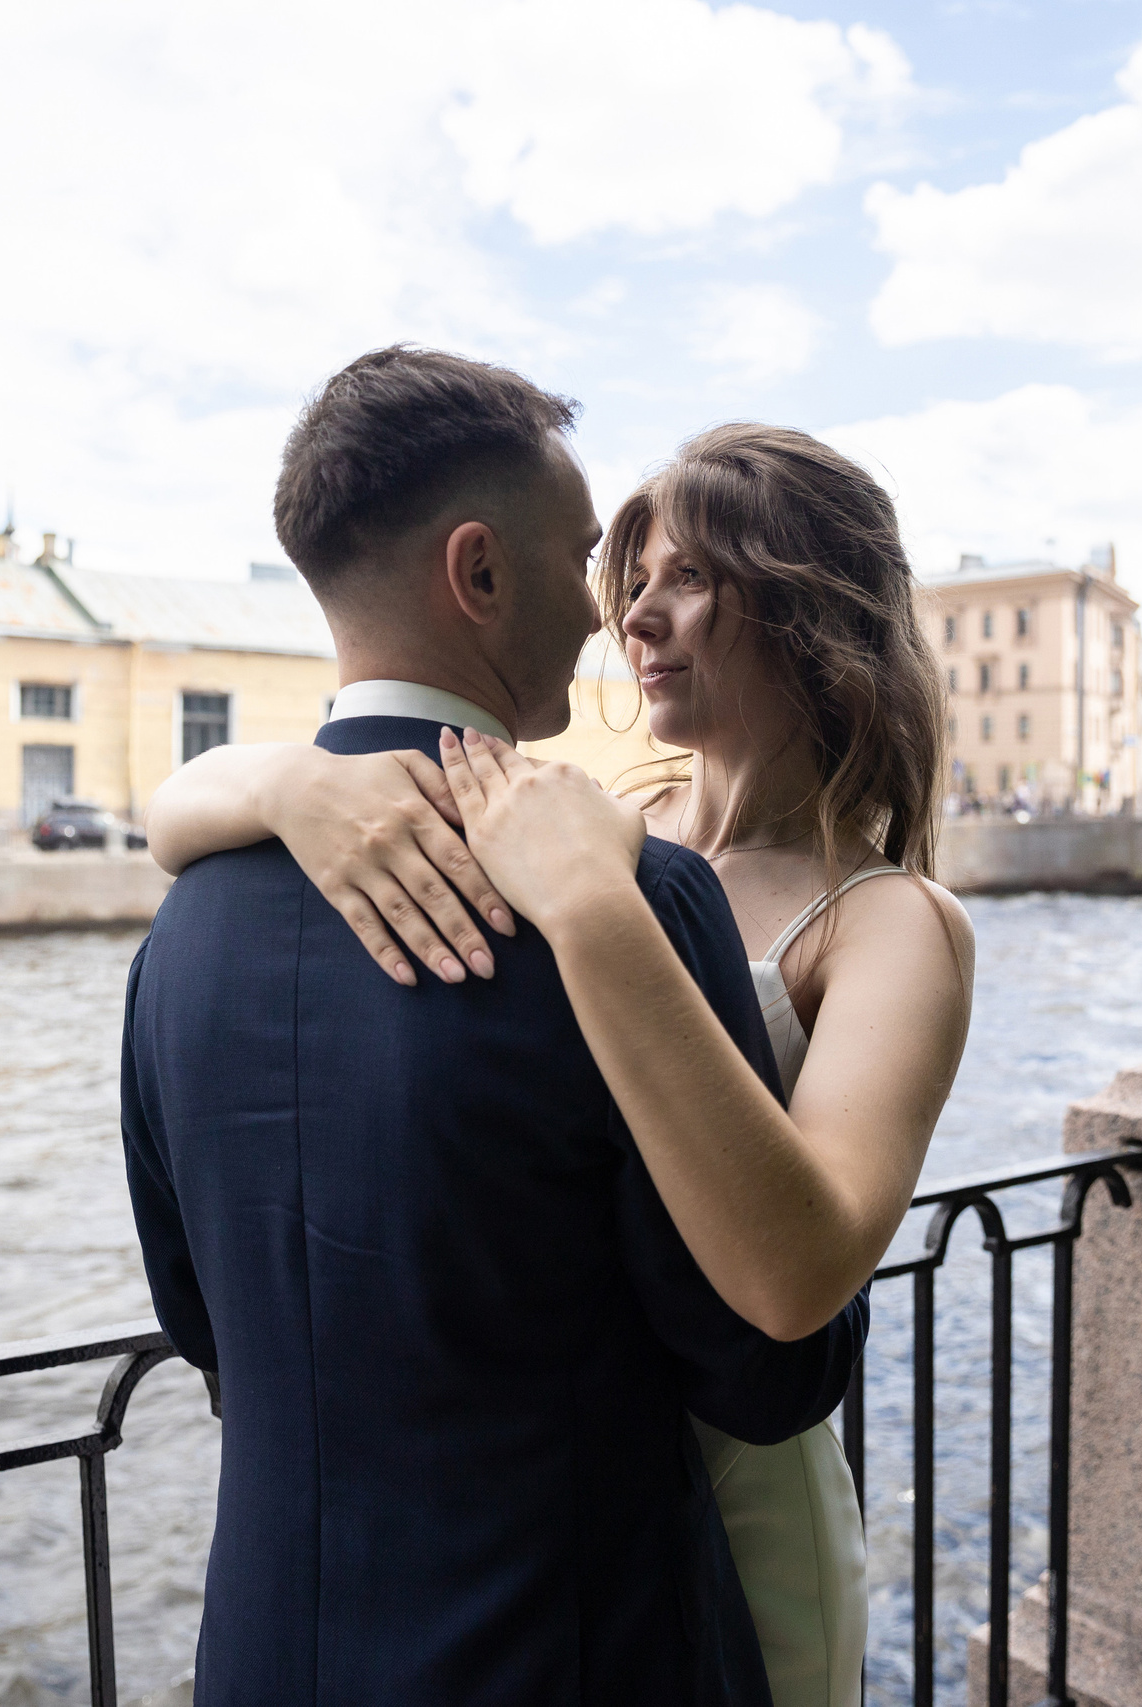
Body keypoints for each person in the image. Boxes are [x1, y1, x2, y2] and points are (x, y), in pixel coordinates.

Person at [148, 422, 976, 1707]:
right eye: (627, 578)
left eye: (688, 578)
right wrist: (278, 786)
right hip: (568, 1532)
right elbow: (219, 816)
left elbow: (802, 1281)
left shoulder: (884, 921)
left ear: (810, 606)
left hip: (732, 1510)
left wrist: (600, 918)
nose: (634, 616)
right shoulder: (588, 827)